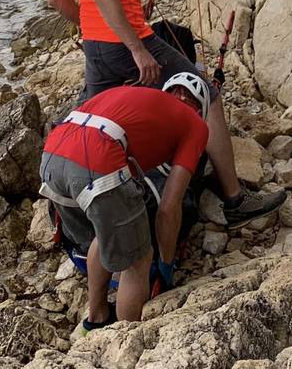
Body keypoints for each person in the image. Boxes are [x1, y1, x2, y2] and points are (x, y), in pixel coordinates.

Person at [47, 0, 287, 228]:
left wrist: (91, 25)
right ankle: (235, 198)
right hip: (130, 42)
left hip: (97, 47)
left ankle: (92, 216)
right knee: (207, 94)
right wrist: (137, 49)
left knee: (101, 124)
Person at [40, 73, 210, 327]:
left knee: (105, 229)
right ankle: (126, 335)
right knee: (138, 259)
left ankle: (96, 317)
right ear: (200, 111)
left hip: (52, 155)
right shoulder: (196, 125)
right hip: (96, 158)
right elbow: (168, 208)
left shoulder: (134, 98)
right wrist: (165, 263)